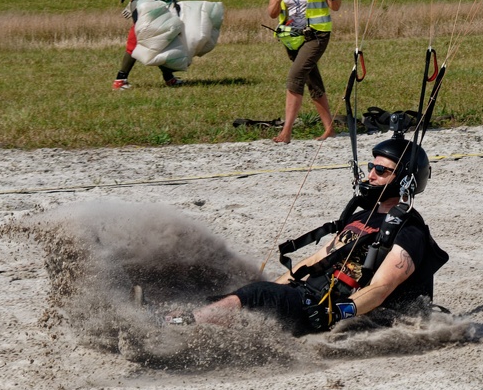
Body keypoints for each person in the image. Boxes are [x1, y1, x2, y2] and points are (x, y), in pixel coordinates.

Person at [170, 133, 448, 334]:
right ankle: (175, 317)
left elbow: (381, 287)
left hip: (324, 309)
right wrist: (277, 287)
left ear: (404, 180)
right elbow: (317, 259)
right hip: (307, 294)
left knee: (254, 296)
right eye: (370, 167)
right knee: (243, 293)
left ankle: (181, 328)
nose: (370, 175)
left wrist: (337, 312)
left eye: (381, 170)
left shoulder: (410, 230)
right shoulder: (363, 215)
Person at [269, 0, 341, 143]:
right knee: (313, 81)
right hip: (292, 37)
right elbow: (272, 12)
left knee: (295, 77)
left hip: (317, 35)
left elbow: (335, 6)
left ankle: (286, 131)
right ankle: (329, 128)